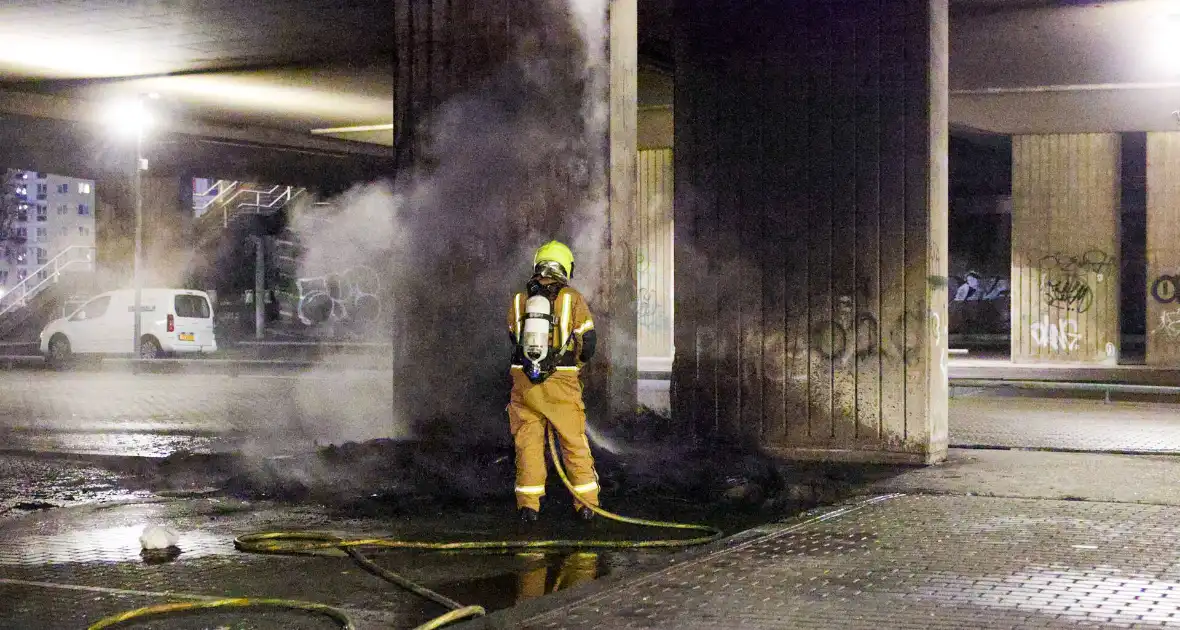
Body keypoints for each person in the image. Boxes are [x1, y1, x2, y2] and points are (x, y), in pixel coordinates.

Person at [506, 240, 601, 523]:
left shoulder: (518, 299)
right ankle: (586, 505)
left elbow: (515, 337)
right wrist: (576, 365)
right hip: (561, 380)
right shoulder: (572, 298)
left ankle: (529, 506)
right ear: (565, 267)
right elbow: (589, 342)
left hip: (524, 381)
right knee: (573, 441)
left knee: (528, 442)